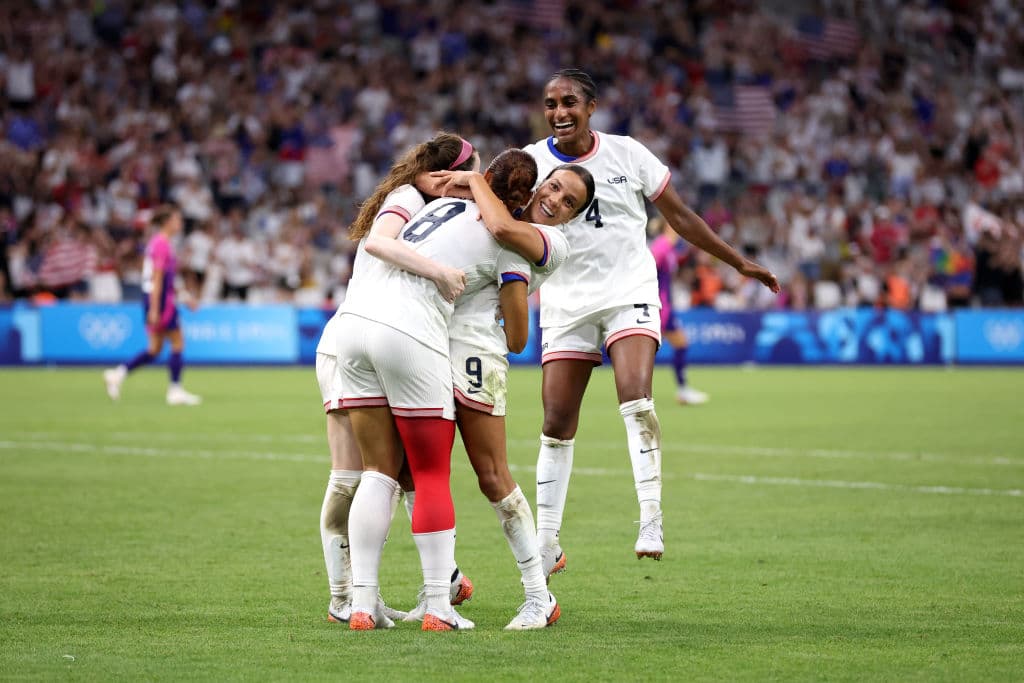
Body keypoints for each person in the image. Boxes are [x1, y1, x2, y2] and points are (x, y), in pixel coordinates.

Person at [520, 69, 779, 570]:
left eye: (569, 101)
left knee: (635, 394)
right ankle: (547, 543)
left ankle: (651, 516)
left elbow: (680, 216)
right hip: (565, 298)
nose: (559, 113)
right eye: (550, 103)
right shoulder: (531, 161)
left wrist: (738, 262)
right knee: (555, 420)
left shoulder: (628, 153)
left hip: (627, 291)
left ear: (591, 106)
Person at [337, 149, 538, 632]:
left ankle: (361, 605)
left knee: (378, 472)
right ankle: (438, 607)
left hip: (351, 324)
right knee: (429, 472)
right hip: (408, 331)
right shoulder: (507, 233)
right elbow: (518, 335)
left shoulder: (430, 202)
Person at [314, 133, 476, 626]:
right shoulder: (406, 198)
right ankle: (346, 597)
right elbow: (378, 243)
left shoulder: (424, 208)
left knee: (384, 473)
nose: (465, 191)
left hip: (357, 332)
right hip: (360, 333)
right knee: (356, 476)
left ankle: (370, 595)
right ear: (440, 174)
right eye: (462, 179)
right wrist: (441, 274)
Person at [428, 161, 595, 629]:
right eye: (555, 187)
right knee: (412, 469)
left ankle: (539, 597)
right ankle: (442, 584)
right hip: (430, 340)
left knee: (491, 475)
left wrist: (473, 179)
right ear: (541, 183)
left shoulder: (543, 243)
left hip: (478, 351)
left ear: (572, 218)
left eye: (569, 204)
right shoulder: (499, 221)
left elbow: (519, 337)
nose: (556, 201)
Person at [103, 206, 202, 406]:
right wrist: (155, 309)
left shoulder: (159, 243)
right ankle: (175, 390)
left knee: (155, 348)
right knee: (177, 342)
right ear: (167, 222)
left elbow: (167, 280)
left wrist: (184, 297)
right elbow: (157, 279)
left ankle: (118, 374)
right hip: (160, 301)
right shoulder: (161, 245)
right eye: (176, 220)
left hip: (157, 298)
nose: (179, 223)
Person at [649, 217, 709, 405]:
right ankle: (681, 390)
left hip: (663, 304)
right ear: (669, 227)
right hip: (659, 306)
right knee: (655, 350)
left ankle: (682, 390)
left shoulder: (669, 248)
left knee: (677, 345)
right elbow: (649, 267)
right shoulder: (661, 246)